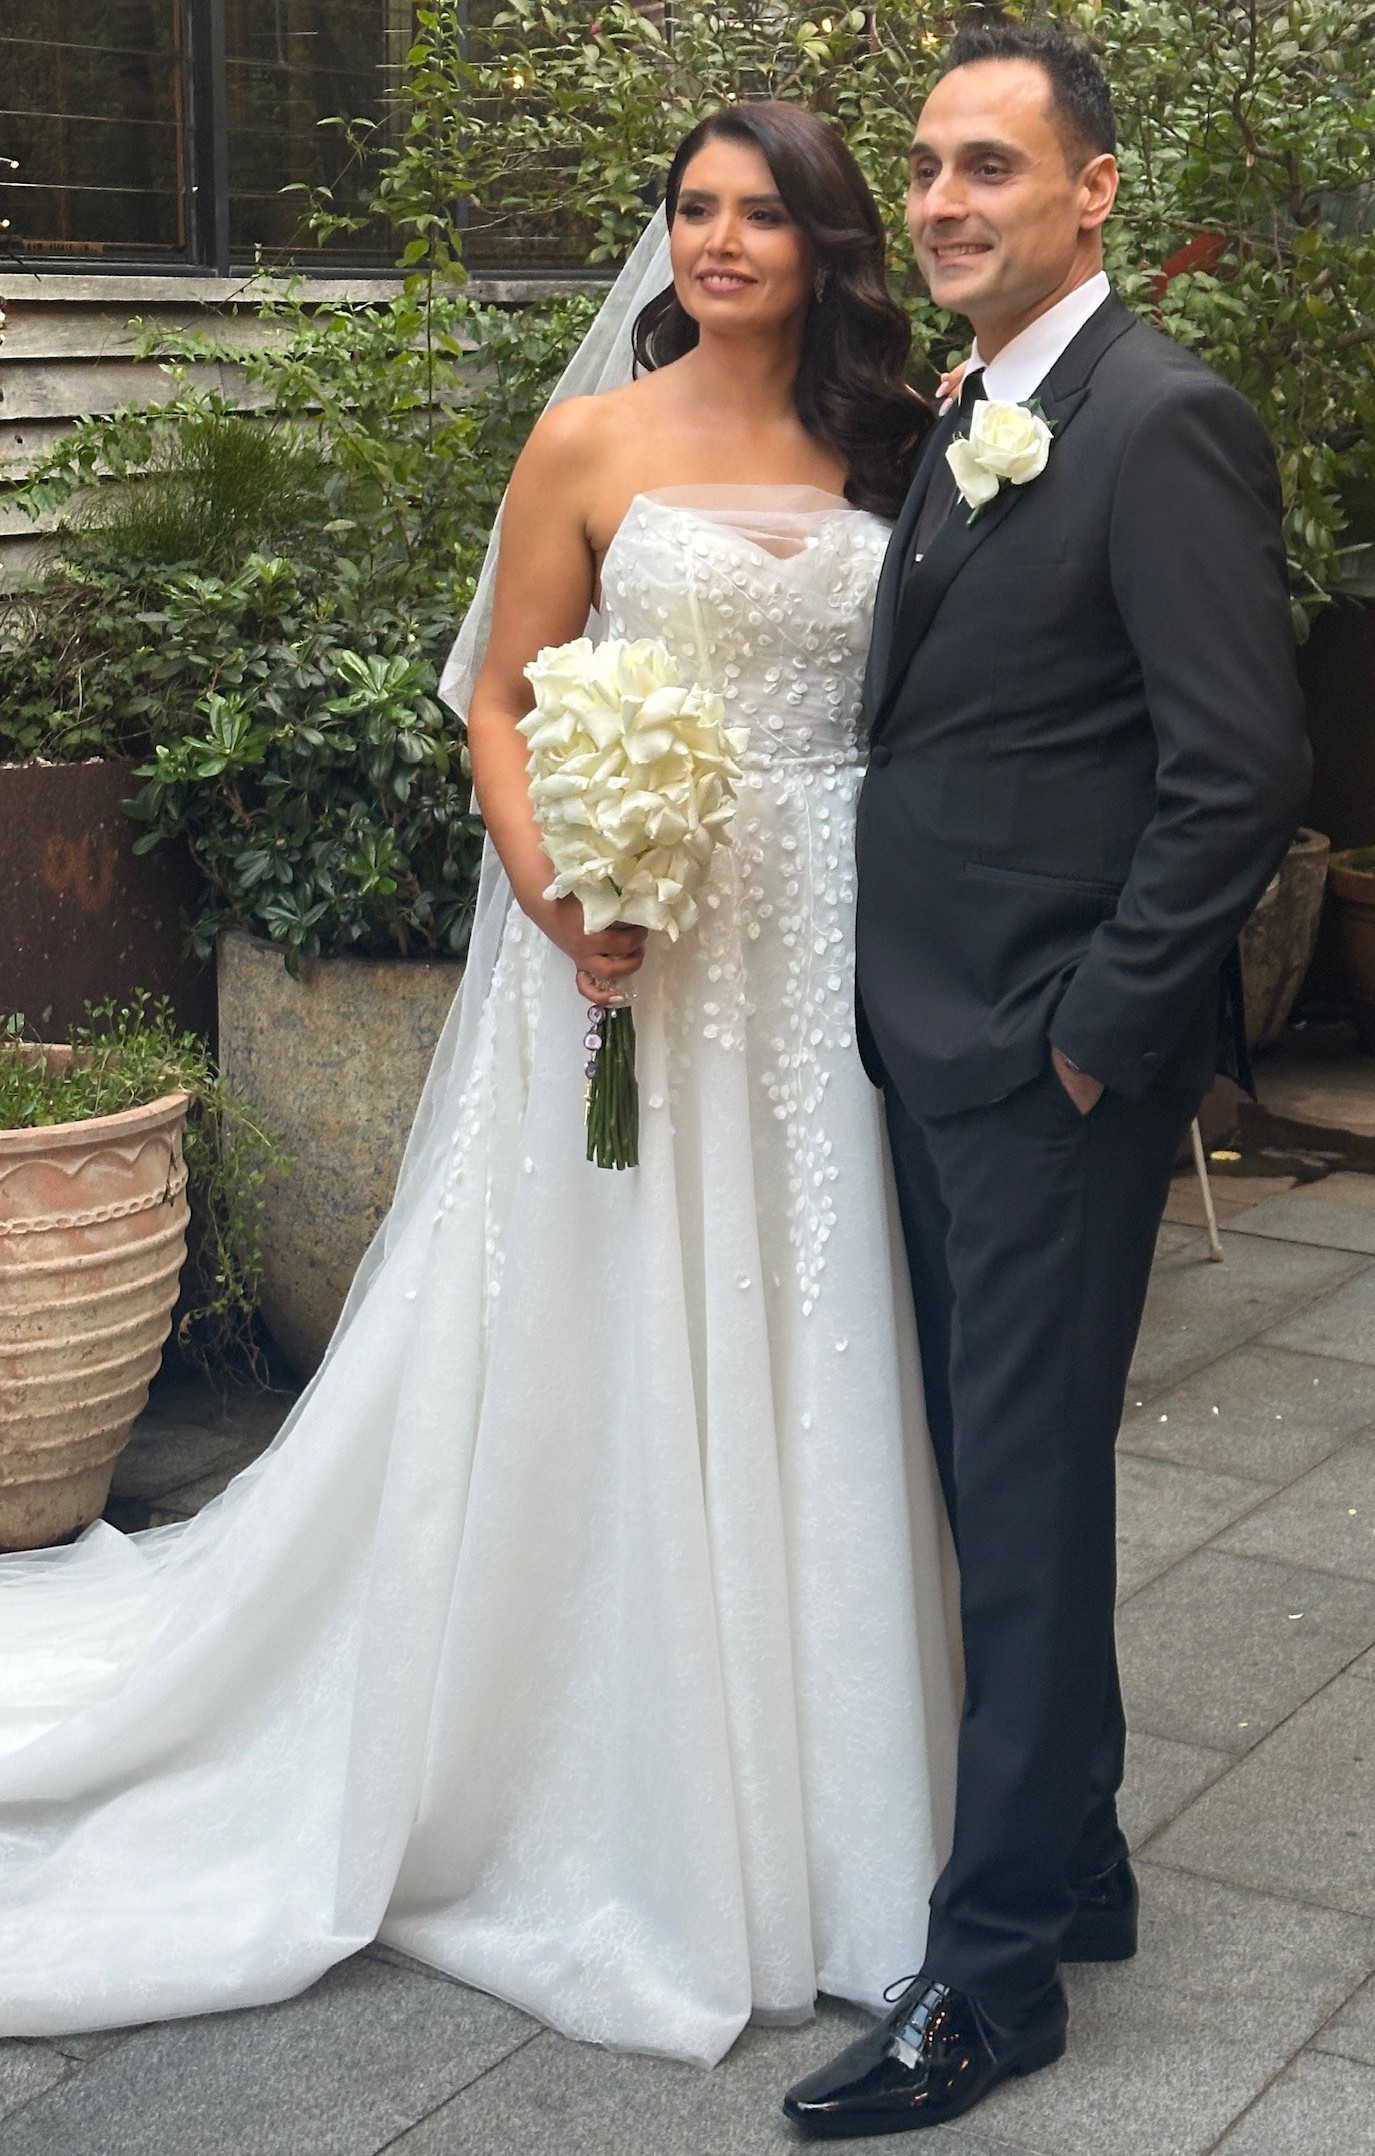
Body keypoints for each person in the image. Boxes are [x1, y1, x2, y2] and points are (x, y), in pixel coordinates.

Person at [0, 104, 960, 2068]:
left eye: (761, 213)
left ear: (826, 243)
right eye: (689, 207)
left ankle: (839, 1806)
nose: (716, 239)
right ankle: (608, 1775)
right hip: (625, 949)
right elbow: (502, 704)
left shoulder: (898, 444)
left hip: (827, 943)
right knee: (616, 1308)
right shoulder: (591, 440)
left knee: (817, 1314)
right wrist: (558, 890)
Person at [784, 17, 1310, 2139]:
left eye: (988, 165)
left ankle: (991, 1977)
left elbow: (1238, 766)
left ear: (1093, 192)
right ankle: (1077, 1864)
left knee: (1013, 1508)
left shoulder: (1161, 419)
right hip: (931, 1036)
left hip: (1037, 1062)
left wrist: (1095, 1036)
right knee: (1003, 1485)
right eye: (924, 165)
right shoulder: (974, 407)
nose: (940, 200)